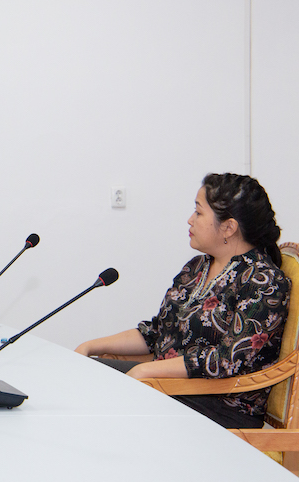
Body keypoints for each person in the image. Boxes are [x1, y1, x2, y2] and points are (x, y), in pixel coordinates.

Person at [75, 173, 290, 428]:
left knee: (96, 396)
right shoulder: (197, 267)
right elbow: (156, 332)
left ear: (229, 227)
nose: (190, 219)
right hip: (170, 387)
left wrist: (146, 371)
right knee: (82, 375)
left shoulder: (264, 281)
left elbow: (225, 360)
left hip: (220, 406)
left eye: (198, 212)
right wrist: (89, 346)